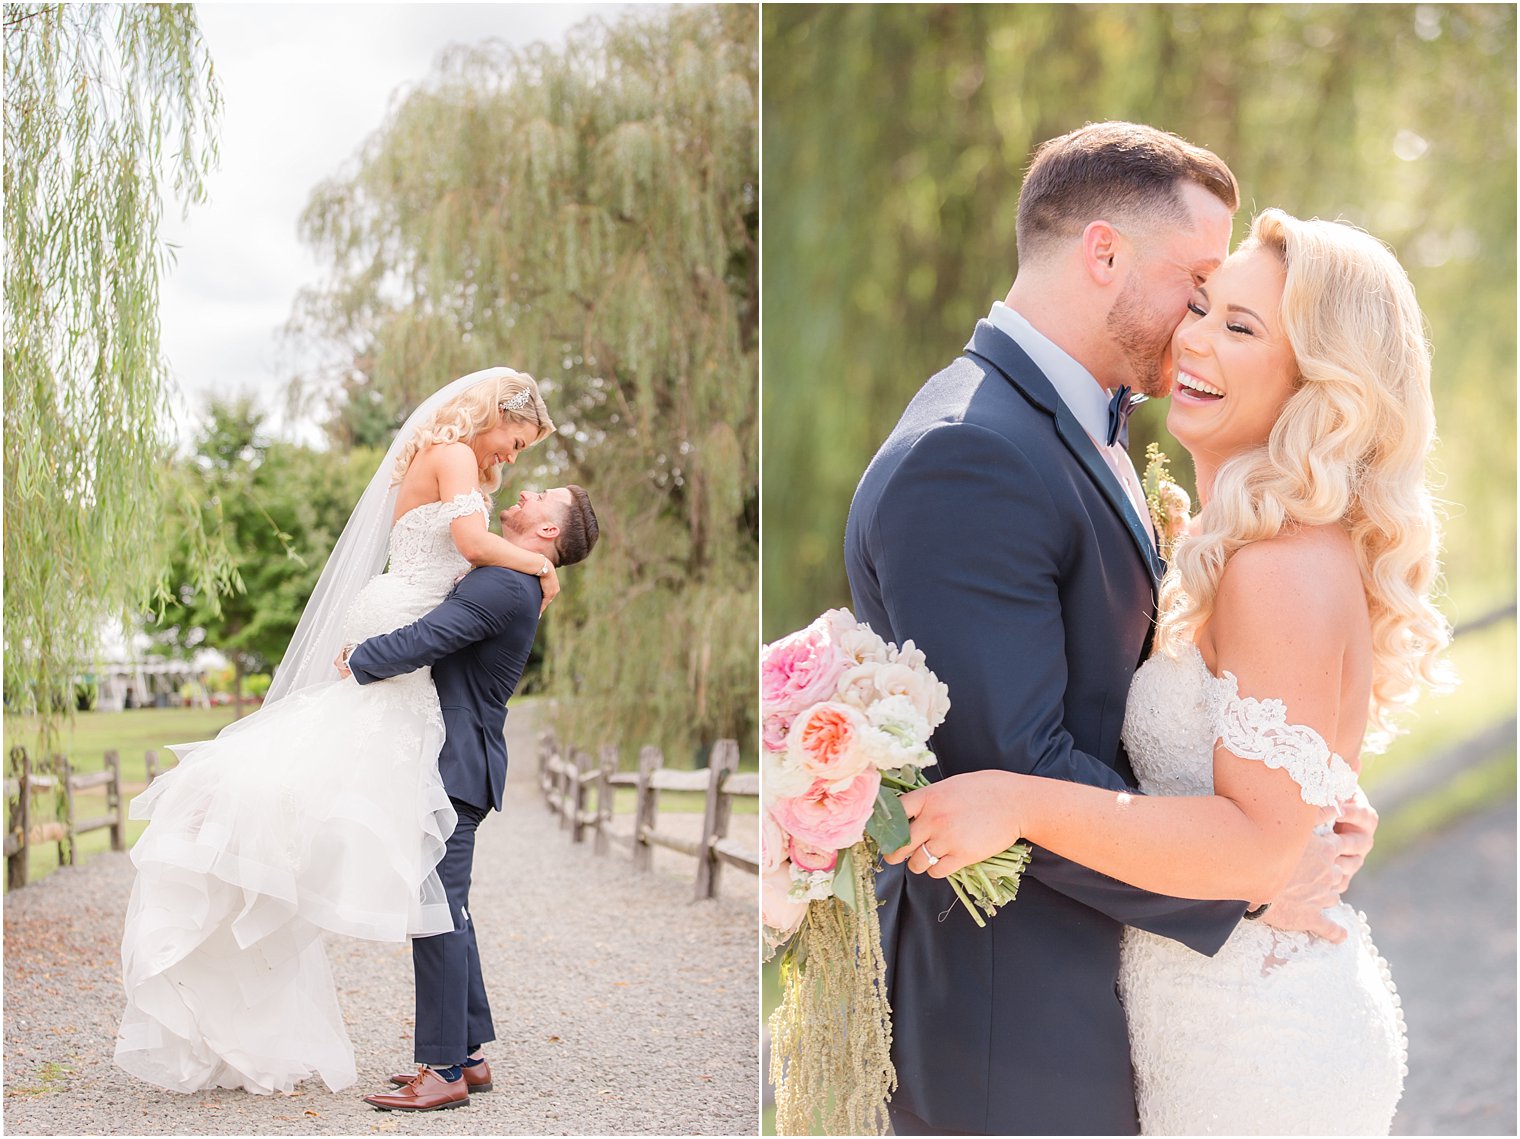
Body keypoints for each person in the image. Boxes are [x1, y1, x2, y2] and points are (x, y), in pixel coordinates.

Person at [842, 123, 1378, 1136]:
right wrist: (1249, 876)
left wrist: (1302, 799)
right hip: (1016, 1018)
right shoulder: (969, 453)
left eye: (1229, 315)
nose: (1193, 326)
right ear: (1102, 254)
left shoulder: (1080, 427)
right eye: (1194, 287)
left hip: (1127, 998)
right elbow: (1009, 765)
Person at [116, 367, 565, 1095]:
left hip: (412, 661)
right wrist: (542, 563)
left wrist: (532, 565)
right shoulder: (460, 470)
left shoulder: (470, 499)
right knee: (433, 890)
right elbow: (470, 545)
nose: (511, 461)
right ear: (492, 414)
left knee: (435, 894)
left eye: (521, 458)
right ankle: (456, 1059)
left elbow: (465, 572)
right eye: (513, 442)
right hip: (401, 637)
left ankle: (455, 1061)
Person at [341, 485, 600, 1112]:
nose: (529, 490)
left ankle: (443, 1068)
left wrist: (358, 659)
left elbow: (430, 637)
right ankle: (471, 1057)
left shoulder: (504, 587)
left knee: (435, 912)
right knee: (446, 908)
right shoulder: (514, 579)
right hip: (462, 760)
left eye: (546, 496)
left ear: (546, 534)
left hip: (456, 765)